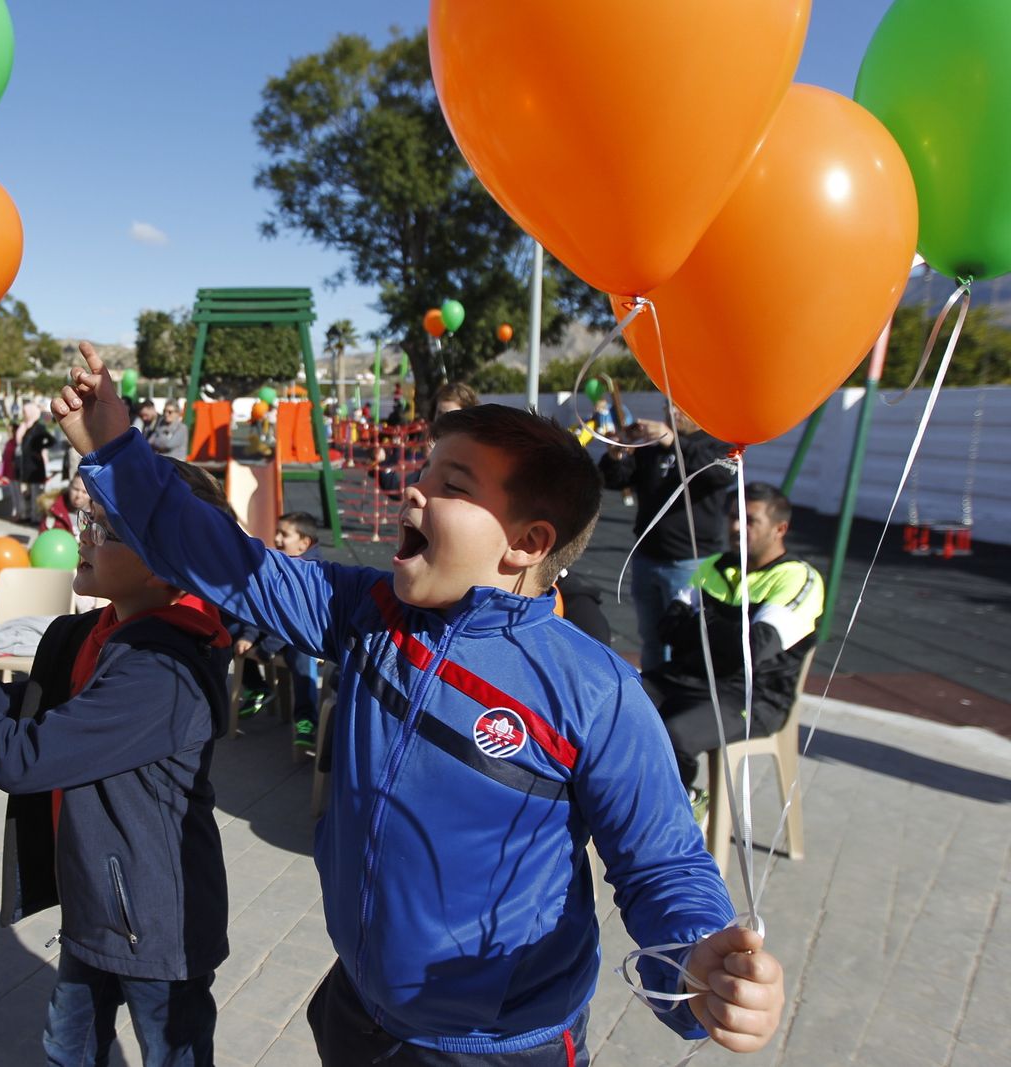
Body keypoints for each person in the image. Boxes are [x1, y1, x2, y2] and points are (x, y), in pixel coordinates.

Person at [52, 344, 785, 1064]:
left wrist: (698, 966)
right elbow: (224, 559)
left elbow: (662, 862)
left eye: (453, 486)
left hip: (502, 1047)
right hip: (359, 1011)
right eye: (423, 471)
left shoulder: (594, 691)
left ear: (527, 543)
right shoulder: (366, 611)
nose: (413, 490)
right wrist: (116, 451)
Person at [0, 456, 237, 1067]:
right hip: (97, 905)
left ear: (166, 564)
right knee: (67, 1048)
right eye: (87, 519)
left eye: (105, 530)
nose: (83, 536)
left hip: (155, 923)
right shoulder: (101, 631)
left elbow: (24, 756)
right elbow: (32, 707)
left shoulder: (163, 669)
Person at [643, 484, 824, 803]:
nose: (736, 527)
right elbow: (667, 628)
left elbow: (753, 650)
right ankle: (621, 803)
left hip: (751, 696)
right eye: (733, 517)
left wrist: (700, 623)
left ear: (780, 529)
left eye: (750, 520)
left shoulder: (797, 578)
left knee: (672, 735)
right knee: (611, 708)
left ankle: (683, 808)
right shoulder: (712, 566)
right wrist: (730, 629)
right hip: (685, 679)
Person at [599, 409, 734, 671]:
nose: (672, 413)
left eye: (680, 407)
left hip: (691, 562)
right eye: (667, 406)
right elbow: (619, 479)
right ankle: (653, 694)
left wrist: (673, 441)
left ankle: (678, 697)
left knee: (687, 639)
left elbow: (717, 474)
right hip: (648, 557)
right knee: (652, 639)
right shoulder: (654, 447)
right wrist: (615, 456)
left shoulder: (717, 442)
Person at [230, 512, 325, 750]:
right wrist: (248, 636)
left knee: (301, 655)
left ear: (304, 543)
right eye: (277, 532)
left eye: (285, 534)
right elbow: (260, 606)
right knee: (231, 627)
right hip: (274, 630)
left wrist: (266, 648)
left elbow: (295, 620)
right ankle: (257, 687)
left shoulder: (311, 572)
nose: (277, 538)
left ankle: (306, 719)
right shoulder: (275, 565)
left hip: (302, 636)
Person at [11, 403, 54, 524]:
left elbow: (51, 440)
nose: (24, 414)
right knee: (27, 493)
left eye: (26, 412)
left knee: (36, 493)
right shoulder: (27, 427)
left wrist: (39, 450)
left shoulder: (39, 426)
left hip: (35, 466)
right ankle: (28, 515)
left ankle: (36, 517)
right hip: (25, 467)